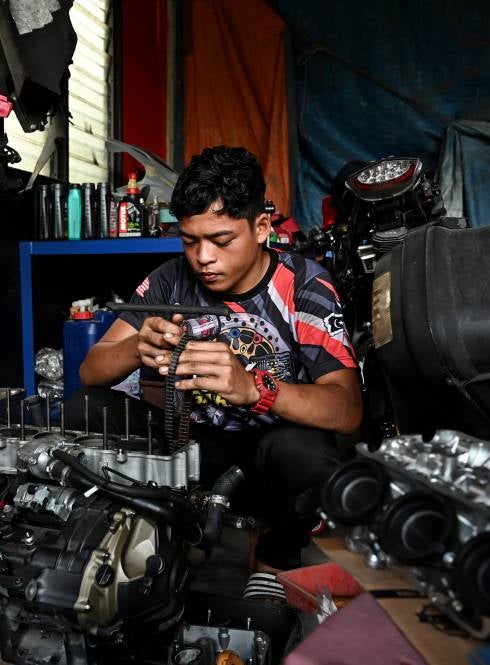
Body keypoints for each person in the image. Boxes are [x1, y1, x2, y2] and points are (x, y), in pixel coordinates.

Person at [77, 146, 362, 572]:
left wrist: (256, 390)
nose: (203, 258)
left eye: (221, 240)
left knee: (306, 455)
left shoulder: (304, 285)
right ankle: (113, 542)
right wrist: (136, 348)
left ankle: (275, 559)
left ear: (261, 227)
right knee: (86, 409)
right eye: (190, 241)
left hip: (258, 459)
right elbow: (90, 371)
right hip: (181, 445)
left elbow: (348, 410)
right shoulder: (169, 280)